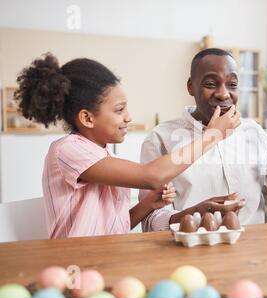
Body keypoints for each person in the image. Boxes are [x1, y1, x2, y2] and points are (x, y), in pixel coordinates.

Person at [15, 53, 240, 238]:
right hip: (76, 264)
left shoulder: (102, 154)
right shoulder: (67, 150)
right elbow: (151, 176)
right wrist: (213, 135)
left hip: (108, 260)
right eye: (119, 110)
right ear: (87, 118)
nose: (128, 117)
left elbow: (115, 228)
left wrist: (147, 205)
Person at [139, 48, 267, 231]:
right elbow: (149, 220)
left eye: (232, 84)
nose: (223, 94)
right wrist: (193, 215)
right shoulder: (160, 138)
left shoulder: (254, 132)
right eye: (210, 84)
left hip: (252, 250)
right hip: (188, 251)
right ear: (190, 86)